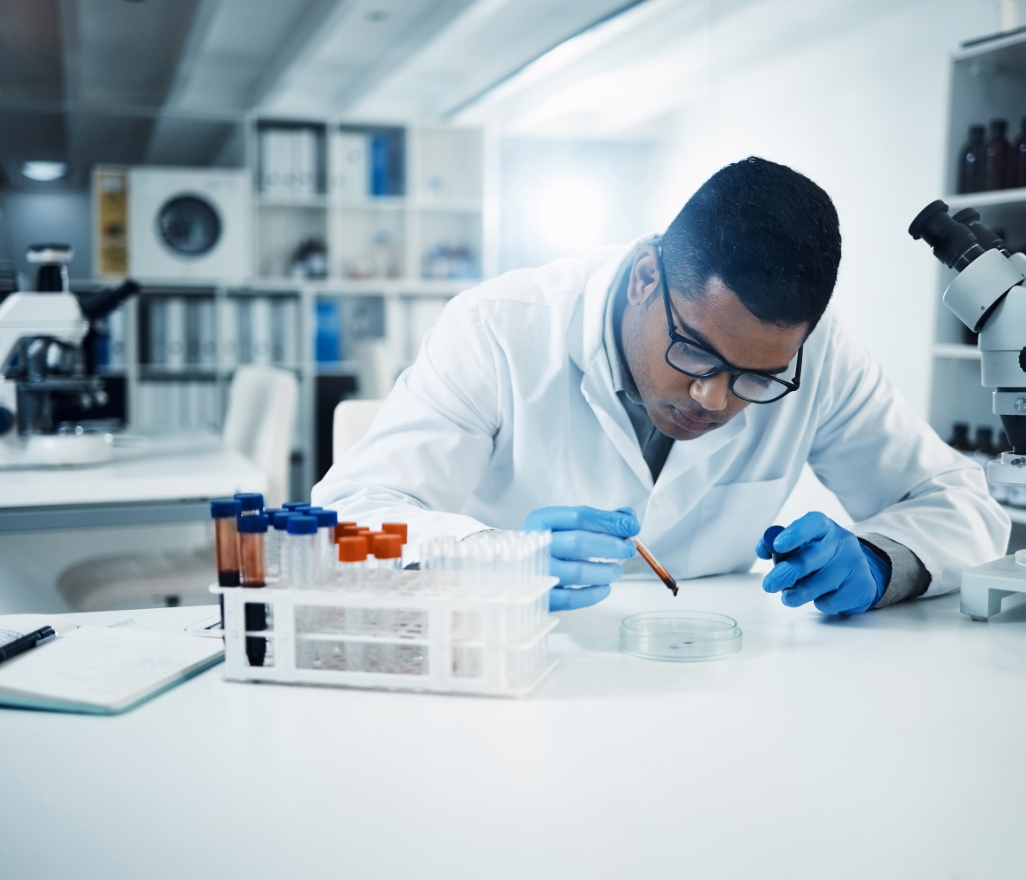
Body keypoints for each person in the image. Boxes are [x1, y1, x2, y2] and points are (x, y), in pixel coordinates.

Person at [312, 157, 1008, 613]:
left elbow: (964, 507)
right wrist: (496, 558)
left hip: (714, 690)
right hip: (525, 680)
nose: (716, 400)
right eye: (697, 354)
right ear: (647, 276)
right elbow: (345, 518)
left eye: (756, 378)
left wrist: (881, 562)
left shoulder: (816, 356)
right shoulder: (498, 329)